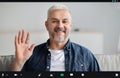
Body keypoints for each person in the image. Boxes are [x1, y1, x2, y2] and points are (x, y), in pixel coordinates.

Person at [10, 4, 100, 71]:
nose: (60, 26)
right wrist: (18, 62)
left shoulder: (85, 55)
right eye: (54, 21)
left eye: (65, 21)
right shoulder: (31, 55)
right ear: (47, 25)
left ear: (71, 25)